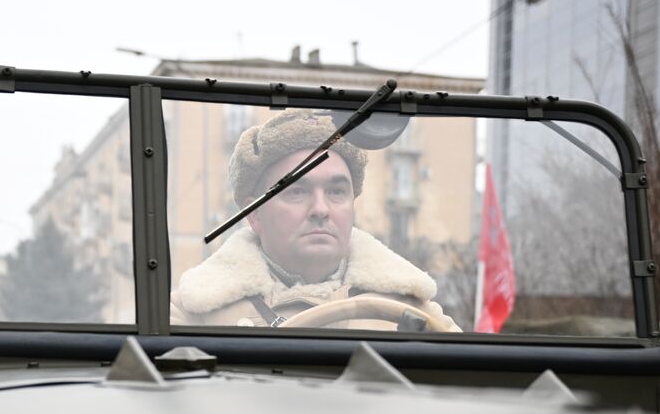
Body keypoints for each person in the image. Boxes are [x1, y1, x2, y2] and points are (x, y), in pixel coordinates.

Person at [170, 110, 459, 331]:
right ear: (254, 213)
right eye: (296, 191)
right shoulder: (190, 311)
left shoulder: (415, 311)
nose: (321, 208)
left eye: (336, 191)